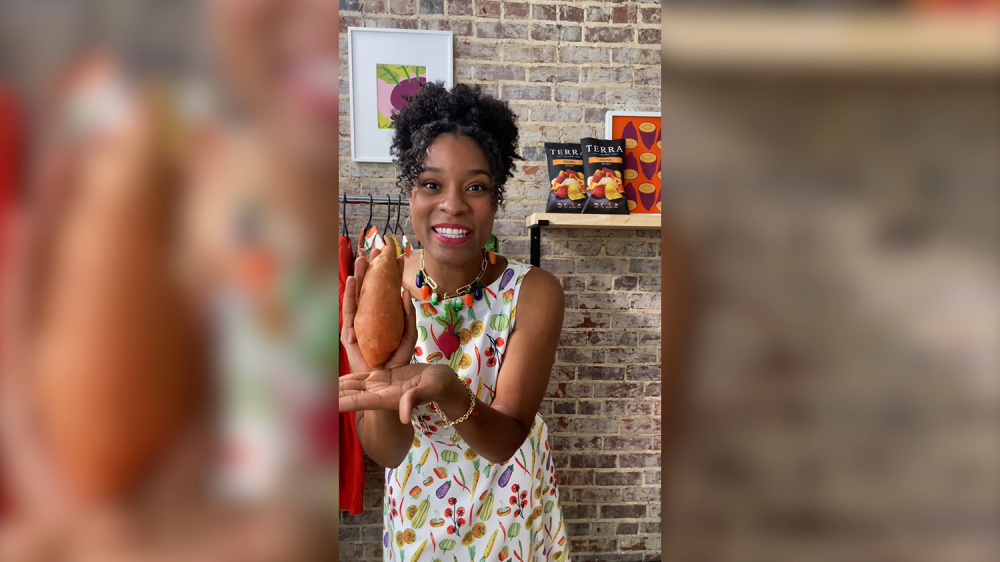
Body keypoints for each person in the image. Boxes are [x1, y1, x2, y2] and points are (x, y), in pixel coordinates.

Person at [340, 83, 571, 562]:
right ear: (410, 190)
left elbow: (507, 439)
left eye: (476, 186)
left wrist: (449, 389)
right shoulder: (385, 288)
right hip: (420, 514)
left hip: (510, 508)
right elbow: (389, 453)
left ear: (496, 197)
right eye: (431, 184)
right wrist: (380, 380)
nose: (453, 204)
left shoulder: (534, 293)